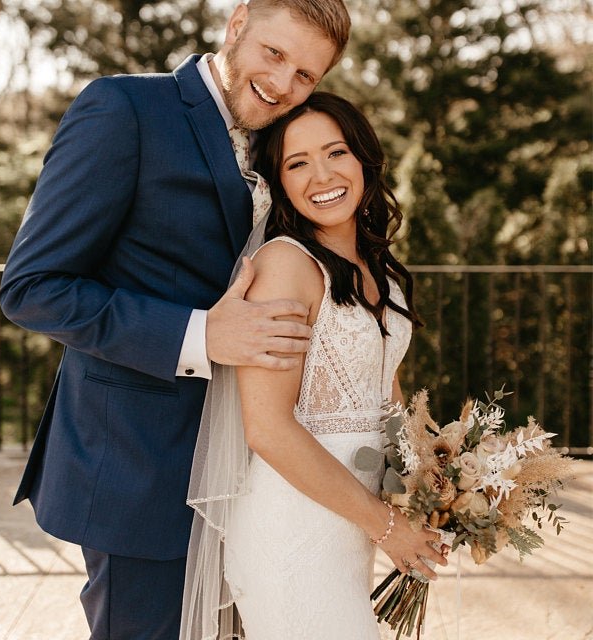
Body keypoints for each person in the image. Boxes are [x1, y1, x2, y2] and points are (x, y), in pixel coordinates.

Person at [0, 2, 351, 638]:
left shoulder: (288, 141)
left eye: (306, 74)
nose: (283, 84)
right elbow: (32, 288)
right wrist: (200, 334)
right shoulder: (124, 110)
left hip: (256, 480)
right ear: (237, 23)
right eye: (275, 54)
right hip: (140, 468)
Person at [180, 92, 448, 640]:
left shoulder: (378, 270)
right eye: (297, 163)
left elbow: (385, 390)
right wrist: (389, 526)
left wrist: (432, 473)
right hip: (292, 536)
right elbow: (269, 430)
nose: (320, 174)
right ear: (278, 182)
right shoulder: (284, 266)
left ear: (364, 160)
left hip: (354, 528)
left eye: (336, 153)